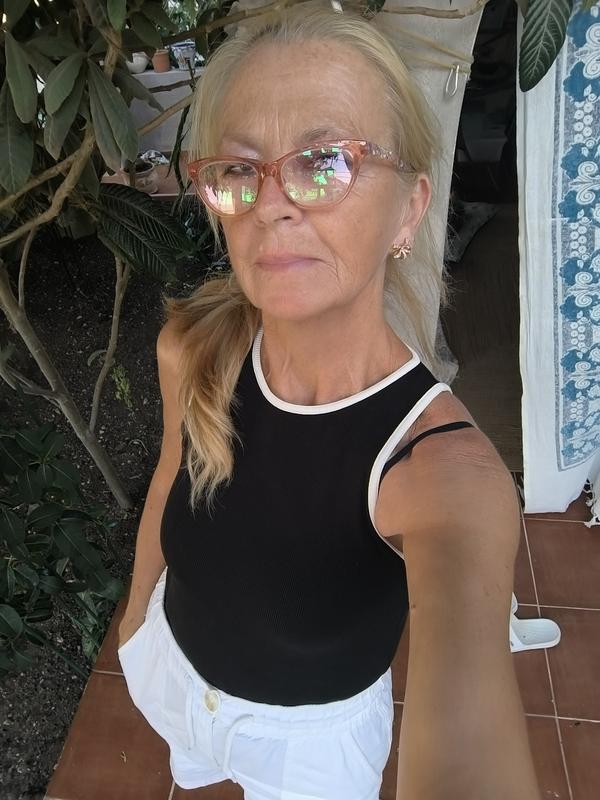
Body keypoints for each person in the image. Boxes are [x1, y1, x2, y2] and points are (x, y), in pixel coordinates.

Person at [116, 5, 541, 800]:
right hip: (170, 674)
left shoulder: (439, 471)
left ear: (409, 207)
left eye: (324, 162)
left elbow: (466, 747)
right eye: (239, 169)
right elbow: (172, 476)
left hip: (308, 754)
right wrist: (138, 614)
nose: (273, 204)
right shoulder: (194, 348)